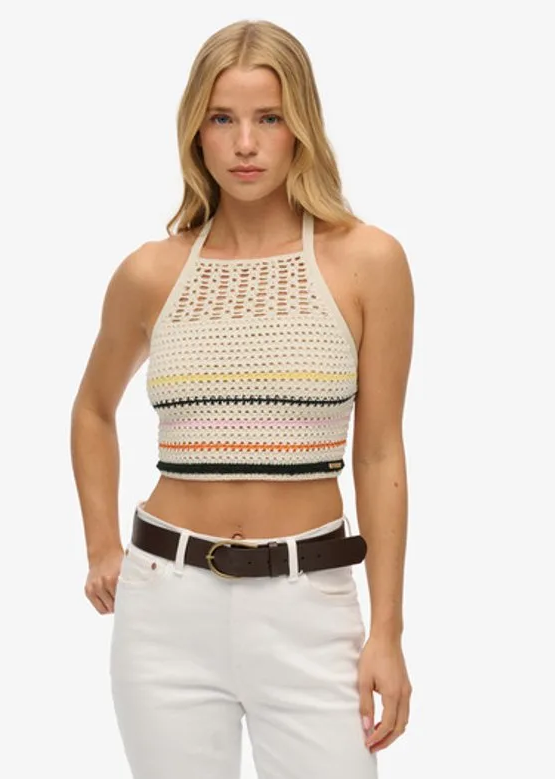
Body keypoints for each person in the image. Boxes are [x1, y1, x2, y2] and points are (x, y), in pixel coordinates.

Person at [70, 18, 414, 779]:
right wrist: (101, 546)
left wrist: (386, 630)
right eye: (222, 119)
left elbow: (379, 451)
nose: (245, 144)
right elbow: (92, 408)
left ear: (303, 127)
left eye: (270, 118)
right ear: (196, 131)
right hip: (164, 610)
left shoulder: (368, 261)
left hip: (310, 607)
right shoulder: (151, 273)